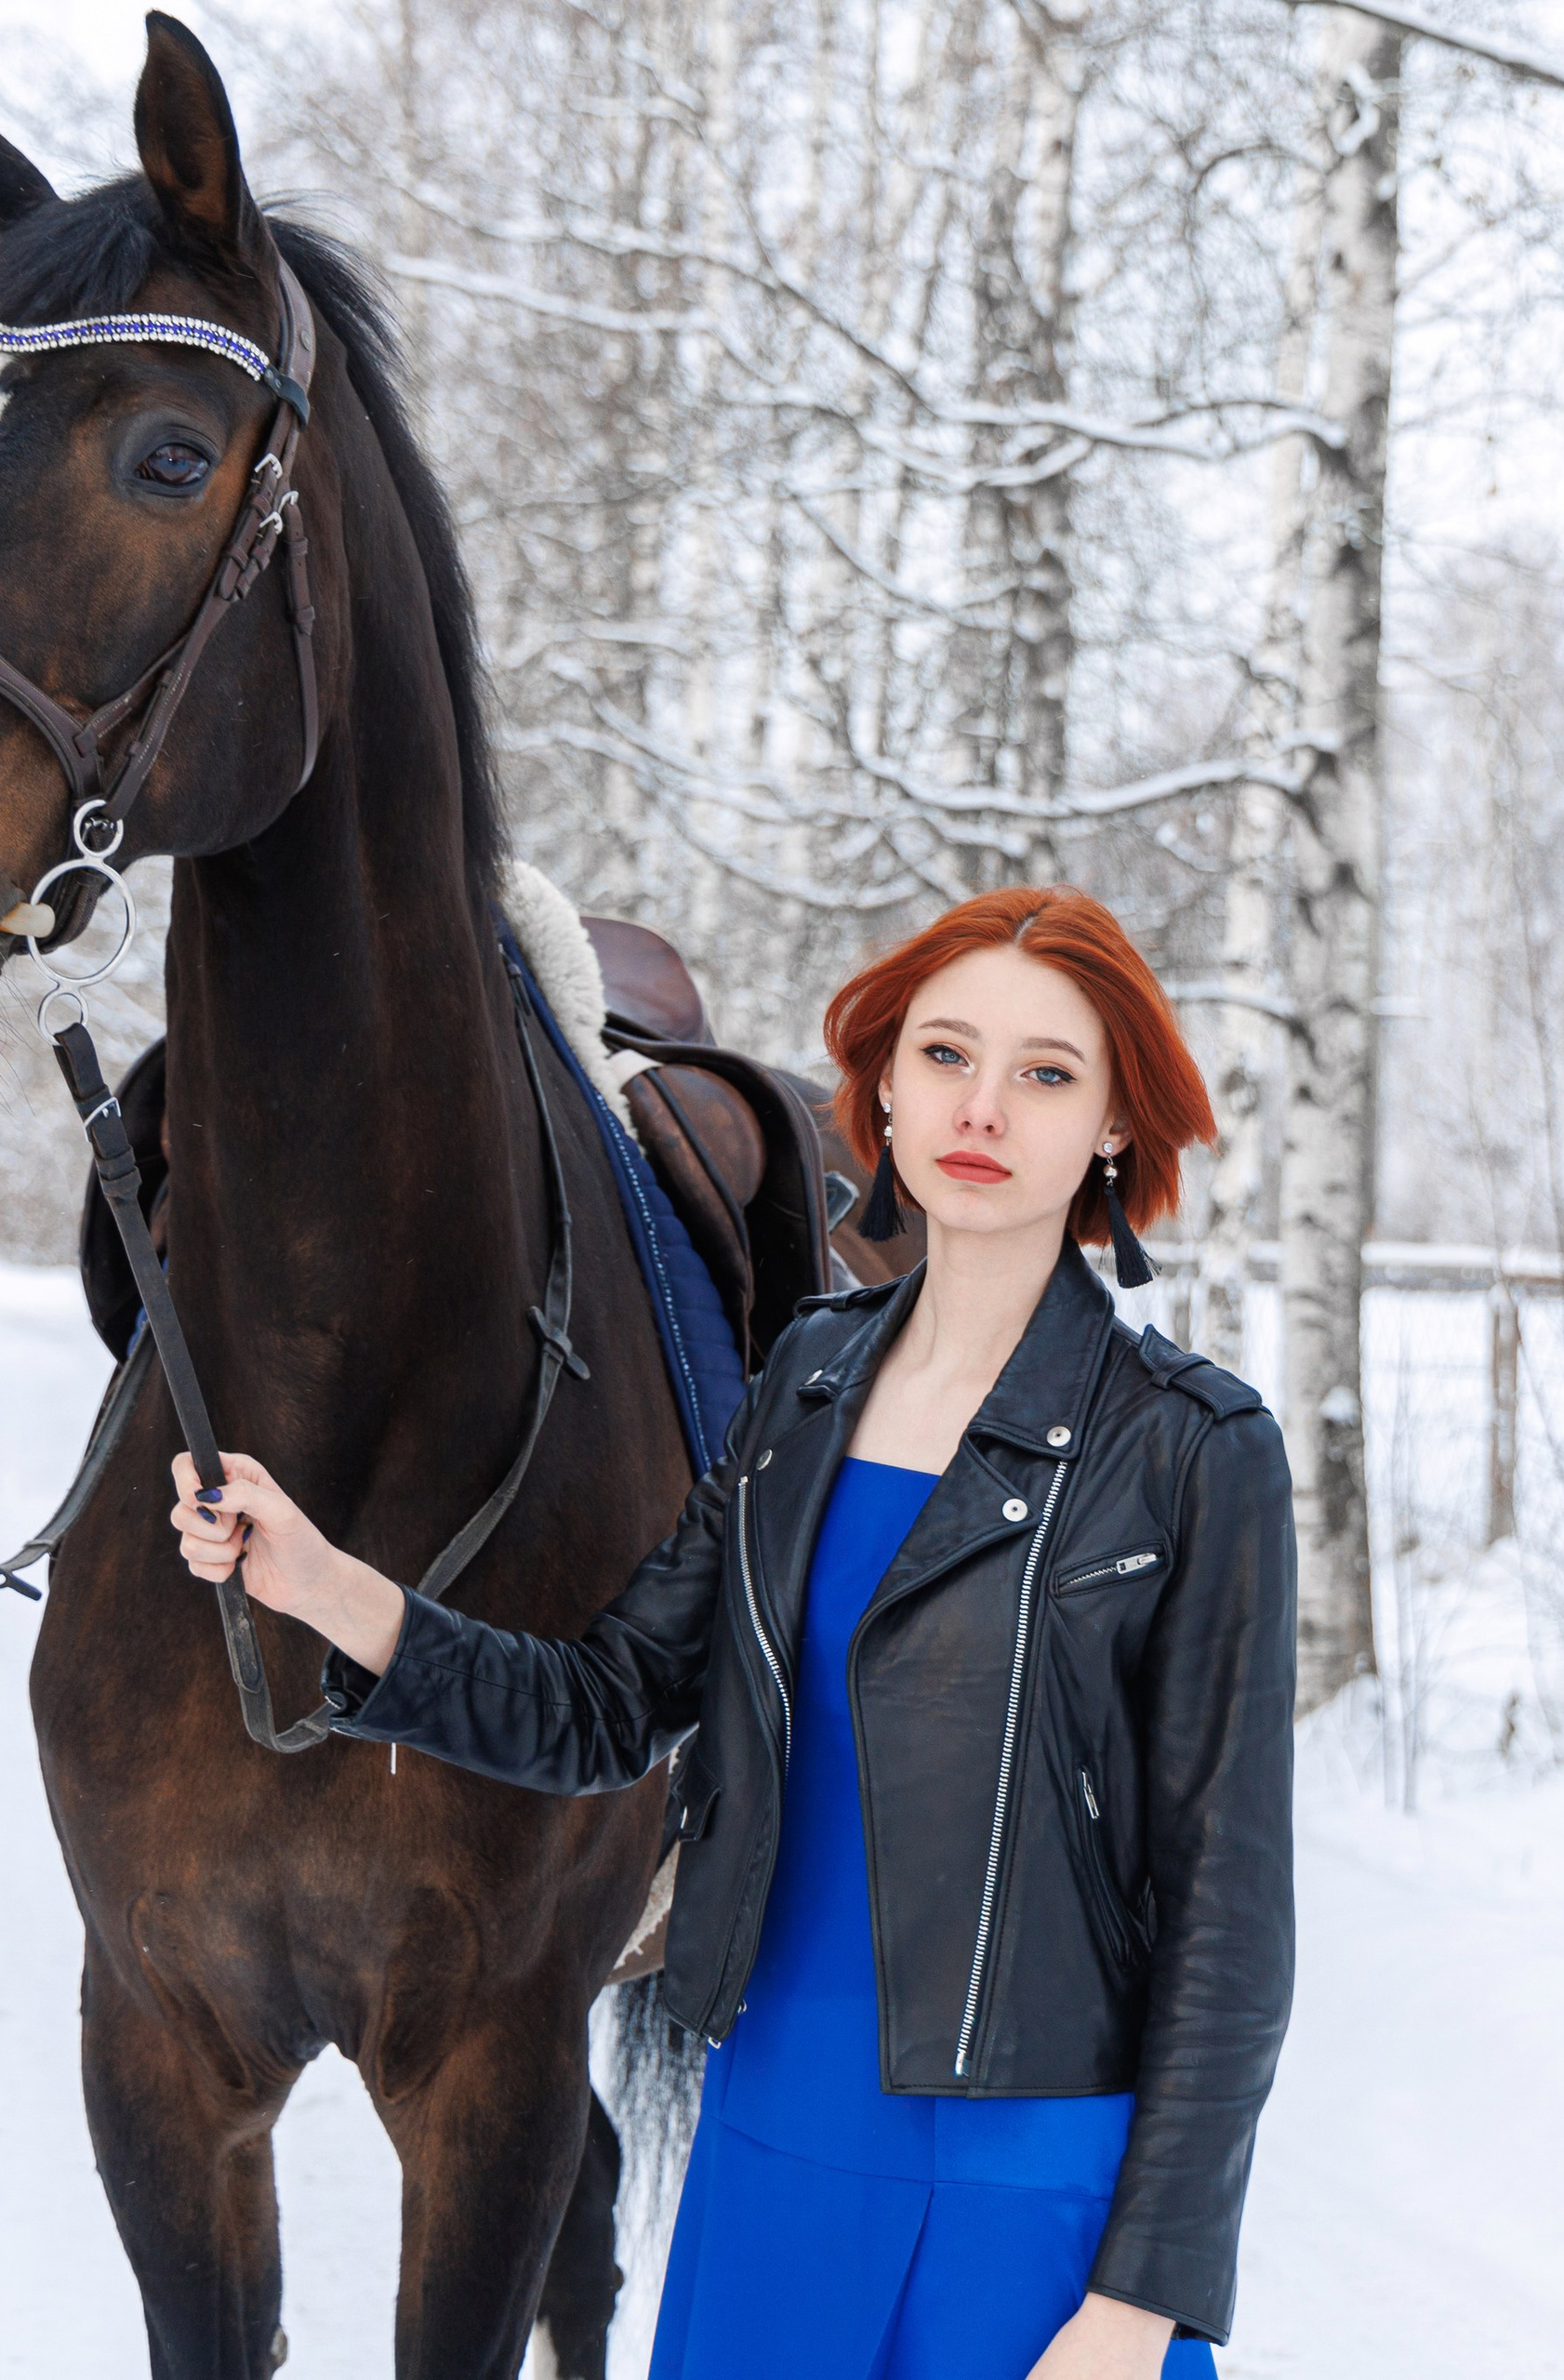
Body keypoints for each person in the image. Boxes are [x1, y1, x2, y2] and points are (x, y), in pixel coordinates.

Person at [171, 885, 1296, 2380]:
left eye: (1045, 1073)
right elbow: (603, 1703)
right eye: (945, 1055)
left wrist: (1142, 2302)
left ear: (1111, 1125)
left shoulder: (1194, 1450)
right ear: (882, 1095)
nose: (982, 1107)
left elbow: (1231, 1922)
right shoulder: (807, 1385)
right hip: (770, 2152)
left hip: (1031, 2207)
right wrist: (328, 1586)